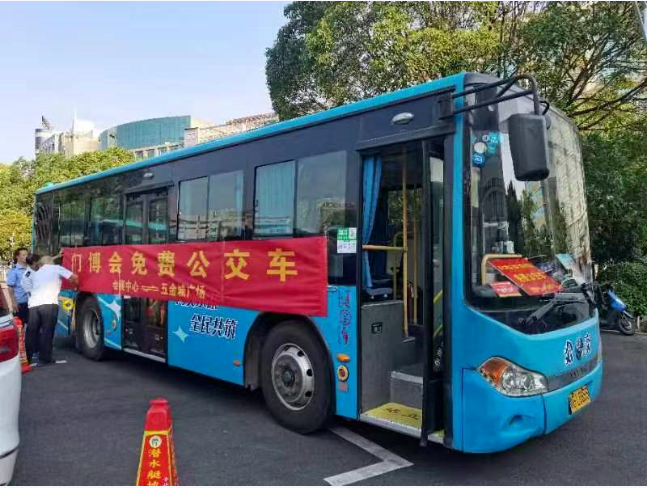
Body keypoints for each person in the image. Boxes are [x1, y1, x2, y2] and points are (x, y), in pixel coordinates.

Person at [26, 254, 78, 366]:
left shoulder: (36, 273)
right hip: (49, 304)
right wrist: (75, 285)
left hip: (33, 304)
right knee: (47, 331)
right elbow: (74, 277)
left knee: (32, 332)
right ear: (51, 262)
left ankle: (27, 359)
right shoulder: (56, 268)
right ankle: (45, 359)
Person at [21, 253, 41, 362]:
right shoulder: (28, 275)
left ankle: (38, 351)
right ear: (33, 263)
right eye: (38, 262)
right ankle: (31, 353)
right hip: (34, 305)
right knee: (33, 330)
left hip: (41, 304)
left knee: (39, 330)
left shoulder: (37, 271)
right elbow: (30, 293)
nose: (39, 264)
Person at [6, 248, 30, 327]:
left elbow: (43, 262)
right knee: (20, 327)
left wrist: (57, 256)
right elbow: (10, 288)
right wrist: (13, 302)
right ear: (17, 257)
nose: (26, 256)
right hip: (20, 303)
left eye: (27, 254)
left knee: (32, 327)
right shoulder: (14, 271)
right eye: (23, 255)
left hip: (32, 302)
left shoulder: (31, 267)